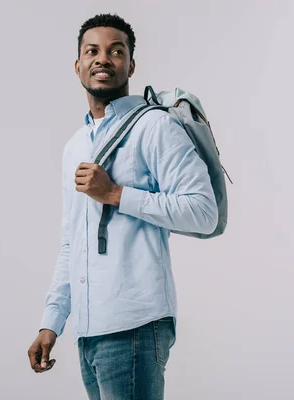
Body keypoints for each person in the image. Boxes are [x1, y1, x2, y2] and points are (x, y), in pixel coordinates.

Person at [26, 13, 218, 399]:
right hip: (88, 329)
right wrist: (52, 321)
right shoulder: (74, 146)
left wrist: (115, 194)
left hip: (135, 323)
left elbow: (203, 211)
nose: (103, 59)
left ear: (131, 64)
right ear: (77, 65)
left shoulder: (155, 127)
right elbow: (72, 241)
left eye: (116, 51)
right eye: (92, 51)